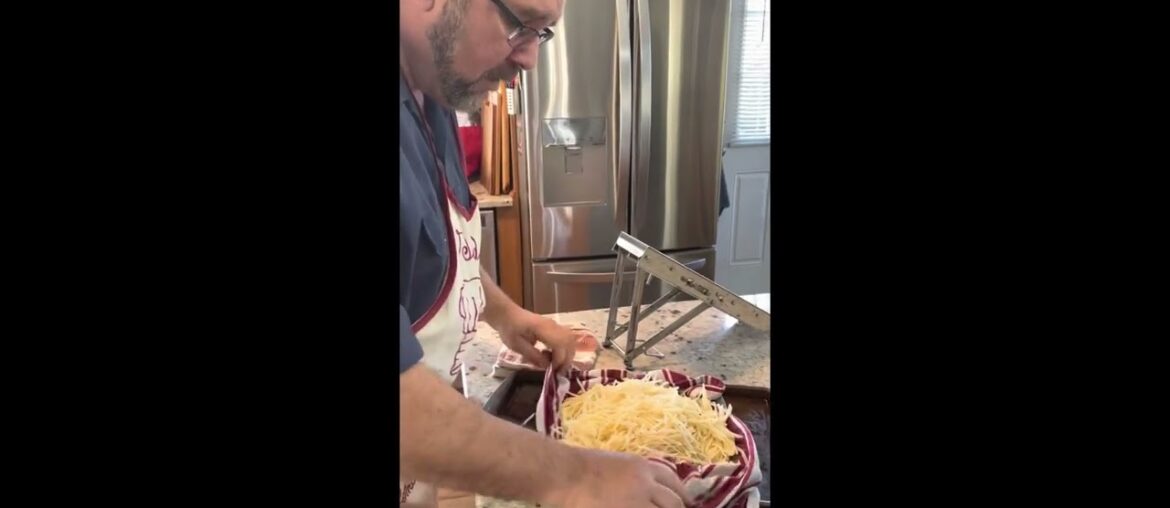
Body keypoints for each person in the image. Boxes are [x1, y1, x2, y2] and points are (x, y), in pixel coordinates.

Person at [398, 1, 693, 507]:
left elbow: (437, 243)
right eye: (519, 25)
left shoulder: (434, 89)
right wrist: (576, 477)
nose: (530, 59)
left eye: (542, 34)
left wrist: (506, 313)